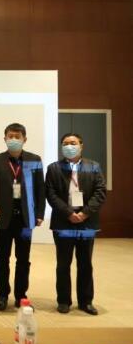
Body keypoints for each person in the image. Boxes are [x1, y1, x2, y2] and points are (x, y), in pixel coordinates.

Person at [46, 133, 106, 315]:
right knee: (63, 264)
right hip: (63, 222)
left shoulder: (93, 166)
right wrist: (69, 213)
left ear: (81, 145)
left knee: (85, 263)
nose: (69, 146)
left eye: (73, 143)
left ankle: (86, 302)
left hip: (87, 223)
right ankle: (63, 301)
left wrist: (85, 213)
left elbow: (100, 192)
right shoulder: (54, 168)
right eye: (65, 143)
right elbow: (51, 194)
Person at [0, 123, 45, 311]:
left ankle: (21, 295)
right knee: (2, 258)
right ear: (4, 139)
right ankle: (2, 294)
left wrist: (40, 213)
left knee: (23, 259)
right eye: (10, 136)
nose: (13, 139)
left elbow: (40, 189)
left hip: (26, 219)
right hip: (3, 219)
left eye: (17, 136)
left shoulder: (34, 160)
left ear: (24, 139)